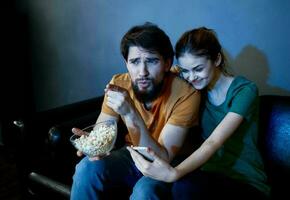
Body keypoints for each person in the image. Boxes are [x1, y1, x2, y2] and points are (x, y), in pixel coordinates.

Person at [127, 27, 271, 199]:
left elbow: (214, 141)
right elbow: (157, 74)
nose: (191, 77)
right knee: (166, 188)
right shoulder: (193, 87)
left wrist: (174, 173)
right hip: (207, 175)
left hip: (245, 181)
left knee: (183, 187)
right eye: (185, 71)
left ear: (217, 59)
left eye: (198, 69)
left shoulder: (244, 91)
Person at [70, 22, 201, 200]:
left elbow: (163, 157)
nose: (142, 72)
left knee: (144, 192)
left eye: (152, 61)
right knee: (86, 168)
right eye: (134, 62)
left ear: (167, 63)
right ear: (126, 63)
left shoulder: (186, 94)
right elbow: (103, 129)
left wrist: (130, 113)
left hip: (169, 162)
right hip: (131, 153)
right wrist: (93, 145)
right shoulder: (119, 84)